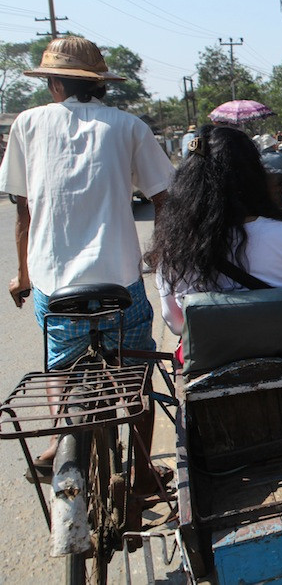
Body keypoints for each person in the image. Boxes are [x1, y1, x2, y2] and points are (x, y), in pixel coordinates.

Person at [0, 36, 175, 477]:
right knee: (135, 377)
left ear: (55, 85)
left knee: (61, 365)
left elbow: (24, 211)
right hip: (119, 283)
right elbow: (164, 200)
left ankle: (61, 441)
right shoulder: (128, 126)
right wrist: (160, 257)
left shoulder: (26, 124)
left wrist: (23, 275)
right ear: (100, 85)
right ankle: (141, 476)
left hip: (55, 286)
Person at [148, 125, 282, 336]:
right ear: (255, 177)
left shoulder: (174, 245)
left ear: (186, 182)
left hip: (209, 362)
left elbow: (175, 325)